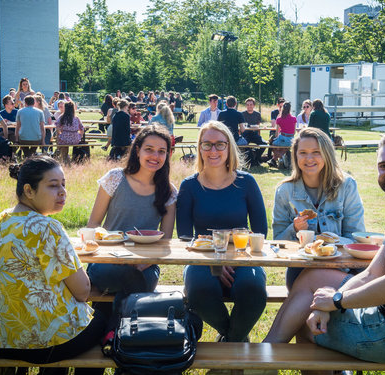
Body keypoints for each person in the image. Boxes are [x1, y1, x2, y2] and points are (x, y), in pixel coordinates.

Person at [265, 132, 385, 367]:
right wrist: (324, 305)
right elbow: (371, 274)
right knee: (312, 286)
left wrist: (336, 301)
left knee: (302, 321)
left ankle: (261, 362)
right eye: (383, 165)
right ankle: (264, 358)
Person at [0, 155, 107, 374]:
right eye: (53, 186)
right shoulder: (48, 227)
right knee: (104, 316)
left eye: (64, 185)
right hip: (44, 345)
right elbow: (83, 292)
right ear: (29, 190)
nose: (63, 192)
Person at [176, 120, 268, 343]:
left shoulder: (247, 183)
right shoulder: (189, 186)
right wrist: (214, 260)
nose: (213, 150)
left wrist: (229, 256)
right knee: (199, 290)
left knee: (253, 290)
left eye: (220, 144)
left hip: (241, 255)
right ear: (199, 148)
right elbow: (185, 237)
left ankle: (230, 341)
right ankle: (235, 338)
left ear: (229, 147)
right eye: (207, 145)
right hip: (202, 258)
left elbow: (261, 231)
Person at [87, 125, 177, 319]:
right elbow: (93, 225)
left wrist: (145, 263)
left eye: (162, 151)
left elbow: (166, 241)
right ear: (137, 150)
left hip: (145, 265)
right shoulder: (115, 178)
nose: (155, 156)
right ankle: (119, 329)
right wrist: (115, 257)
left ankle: (107, 327)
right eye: (149, 149)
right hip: (107, 261)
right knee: (129, 280)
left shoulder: (169, 192)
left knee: (138, 279)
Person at [272, 127, 365, 288]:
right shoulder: (284, 191)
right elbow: (277, 242)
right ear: (295, 155)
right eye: (303, 152)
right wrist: (294, 228)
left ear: (327, 154)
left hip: (342, 267)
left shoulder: (346, 186)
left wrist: (329, 243)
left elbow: (355, 237)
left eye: (316, 152)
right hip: (301, 268)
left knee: (320, 308)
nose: (309, 158)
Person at [269, 101, 296, 169]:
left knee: (272, 143)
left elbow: (276, 133)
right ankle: (279, 159)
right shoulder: (294, 118)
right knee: (285, 147)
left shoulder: (279, 119)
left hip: (282, 137)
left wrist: (278, 138)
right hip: (291, 140)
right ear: (290, 109)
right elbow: (294, 132)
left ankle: (275, 159)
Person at [241, 97, 267, 166]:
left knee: (264, 144)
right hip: (245, 135)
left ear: (254, 105)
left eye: (251, 104)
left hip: (254, 134)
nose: (249, 106)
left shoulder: (257, 114)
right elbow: (241, 126)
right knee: (244, 145)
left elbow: (258, 126)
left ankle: (257, 157)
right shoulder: (242, 114)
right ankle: (252, 161)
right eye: (248, 105)